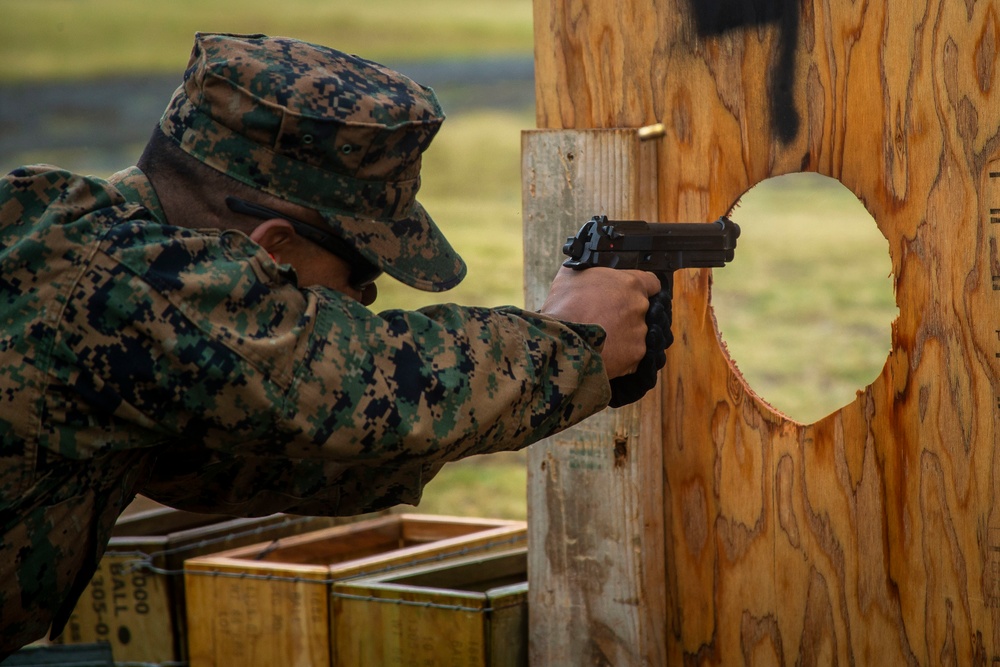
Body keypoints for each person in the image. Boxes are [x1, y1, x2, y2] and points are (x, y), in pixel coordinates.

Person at [0, 32, 663, 654]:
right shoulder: (115, 285)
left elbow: (240, 459)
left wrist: (567, 383)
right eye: (361, 273)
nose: (365, 300)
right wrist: (572, 341)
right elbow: (360, 380)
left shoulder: (97, 277)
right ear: (276, 246)